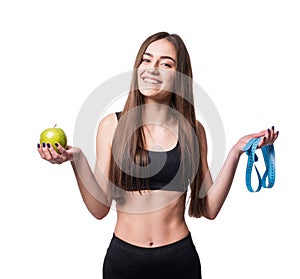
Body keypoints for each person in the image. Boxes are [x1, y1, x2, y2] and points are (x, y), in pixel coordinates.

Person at [37, 32, 279, 279]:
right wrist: (77, 160)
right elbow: (100, 209)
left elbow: (209, 208)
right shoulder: (112, 125)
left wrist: (236, 152)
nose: (152, 69)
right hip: (123, 260)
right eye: (146, 60)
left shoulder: (194, 131)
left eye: (165, 64)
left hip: (179, 260)